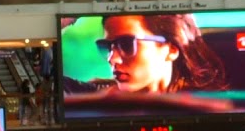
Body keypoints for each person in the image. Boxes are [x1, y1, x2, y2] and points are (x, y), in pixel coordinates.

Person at [68, 13, 230, 103]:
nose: (113, 59)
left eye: (126, 44)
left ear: (171, 50)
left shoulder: (208, 104)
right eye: (107, 46)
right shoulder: (95, 97)